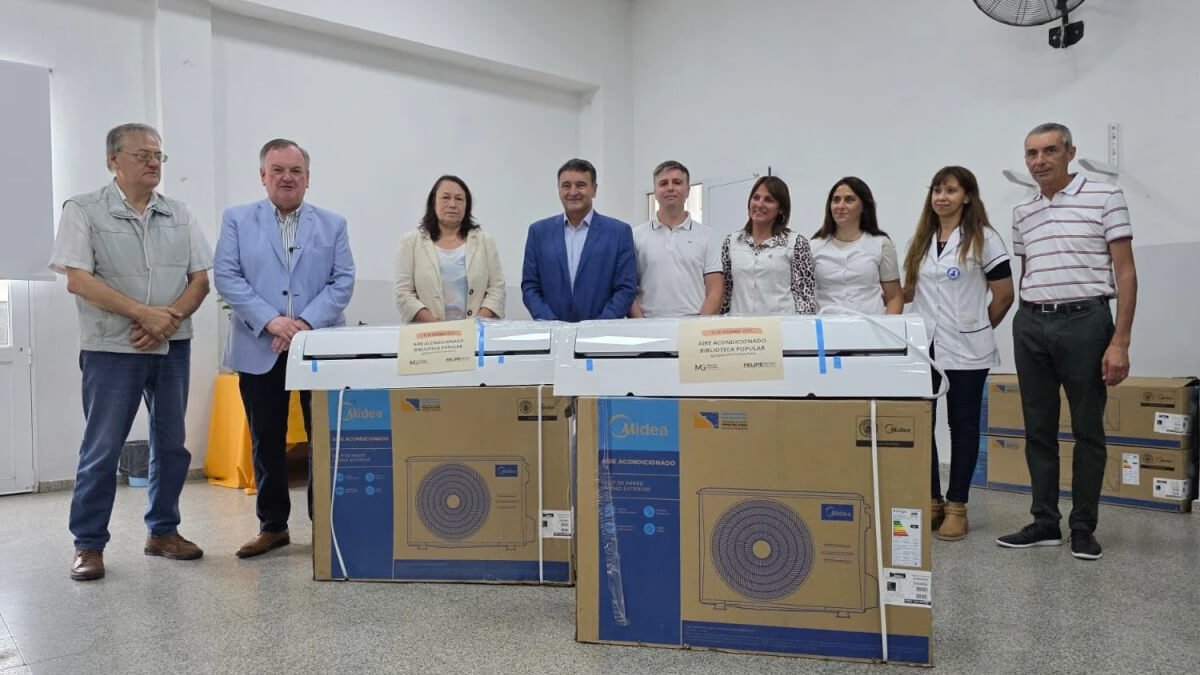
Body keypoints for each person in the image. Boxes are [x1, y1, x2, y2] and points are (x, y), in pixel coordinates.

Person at [49, 123, 212, 581]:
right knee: (102, 448)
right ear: (113, 161)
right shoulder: (83, 210)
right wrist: (145, 314)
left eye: (158, 155)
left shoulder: (179, 214)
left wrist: (169, 319)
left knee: (171, 445)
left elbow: (200, 280)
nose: (153, 163)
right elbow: (78, 279)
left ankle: (163, 531)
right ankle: (88, 544)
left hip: (173, 345)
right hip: (111, 349)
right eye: (142, 155)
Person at [996, 122, 1137, 561]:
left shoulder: (1105, 196)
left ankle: (1083, 526)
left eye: (1049, 150)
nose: (1040, 160)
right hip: (1032, 323)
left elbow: (1126, 272)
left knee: (1087, 428)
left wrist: (1120, 341)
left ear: (1070, 152)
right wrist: (1025, 318)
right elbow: (1027, 271)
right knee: (1037, 429)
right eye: (1031, 153)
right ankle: (1044, 522)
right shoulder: (1024, 212)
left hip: (1086, 321)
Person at [214, 138, 355, 559]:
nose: (287, 177)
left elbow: (343, 280)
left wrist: (305, 325)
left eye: (295, 170)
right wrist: (272, 321)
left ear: (308, 179)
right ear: (263, 176)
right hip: (260, 344)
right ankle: (273, 526)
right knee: (266, 439)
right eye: (277, 170)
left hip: (319, 347)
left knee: (323, 439)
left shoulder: (333, 224)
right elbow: (227, 275)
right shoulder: (238, 219)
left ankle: (325, 526)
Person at [901, 166, 1014, 541]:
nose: (941, 197)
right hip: (925, 346)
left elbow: (1004, 295)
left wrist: (977, 329)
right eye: (936, 190)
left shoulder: (985, 238)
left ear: (967, 196)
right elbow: (910, 292)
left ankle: (957, 506)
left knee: (962, 427)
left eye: (950, 190)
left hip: (968, 349)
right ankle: (931, 499)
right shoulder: (921, 240)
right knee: (923, 425)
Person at [521, 158, 637, 321]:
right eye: (566, 185)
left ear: (594, 190)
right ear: (559, 189)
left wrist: (597, 328)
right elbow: (530, 286)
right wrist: (552, 324)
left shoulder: (619, 233)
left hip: (602, 338)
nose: (573, 192)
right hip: (551, 336)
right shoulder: (538, 232)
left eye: (581, 185)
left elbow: (626, 289)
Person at [394, 175, 505, 322]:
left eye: (459, 199)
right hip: (427, 337)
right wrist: (437, 327)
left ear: (467, 205)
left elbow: (496, 289)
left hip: (475, 333)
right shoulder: (411, 242)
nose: (452, 204)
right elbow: (403, 293)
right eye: (445, 197)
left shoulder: (485, 242)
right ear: (433, 202)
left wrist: (473, 325)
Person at [629, 161, 722, 317]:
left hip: (692, 327)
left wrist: (698, 329)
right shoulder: (635, 236)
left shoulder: (708, 236)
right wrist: (640, 324)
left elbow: (716, 291)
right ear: (655, 191)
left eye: (677, 182)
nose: (670, 188)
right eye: (663, 183)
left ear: (687, 190)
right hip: (648, 327)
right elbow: (628, 289)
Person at [720, 175, 817, 314]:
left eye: (769, 200)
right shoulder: (731, 242)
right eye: (756, 198)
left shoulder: (796, 243)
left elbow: (805, 298)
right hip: (740, 330)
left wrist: (801, 331)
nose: (759, 204)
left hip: (780, 330)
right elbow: (726, 293)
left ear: (781, 209)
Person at [810, 177, 902, 314]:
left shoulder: (881, 244)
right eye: (836, 200)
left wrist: (885, 331)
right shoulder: (813, 246)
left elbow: (894, 297)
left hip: (870, 328)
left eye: (849, 200)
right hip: (825, 328)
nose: (840, 206)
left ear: (864, 206)